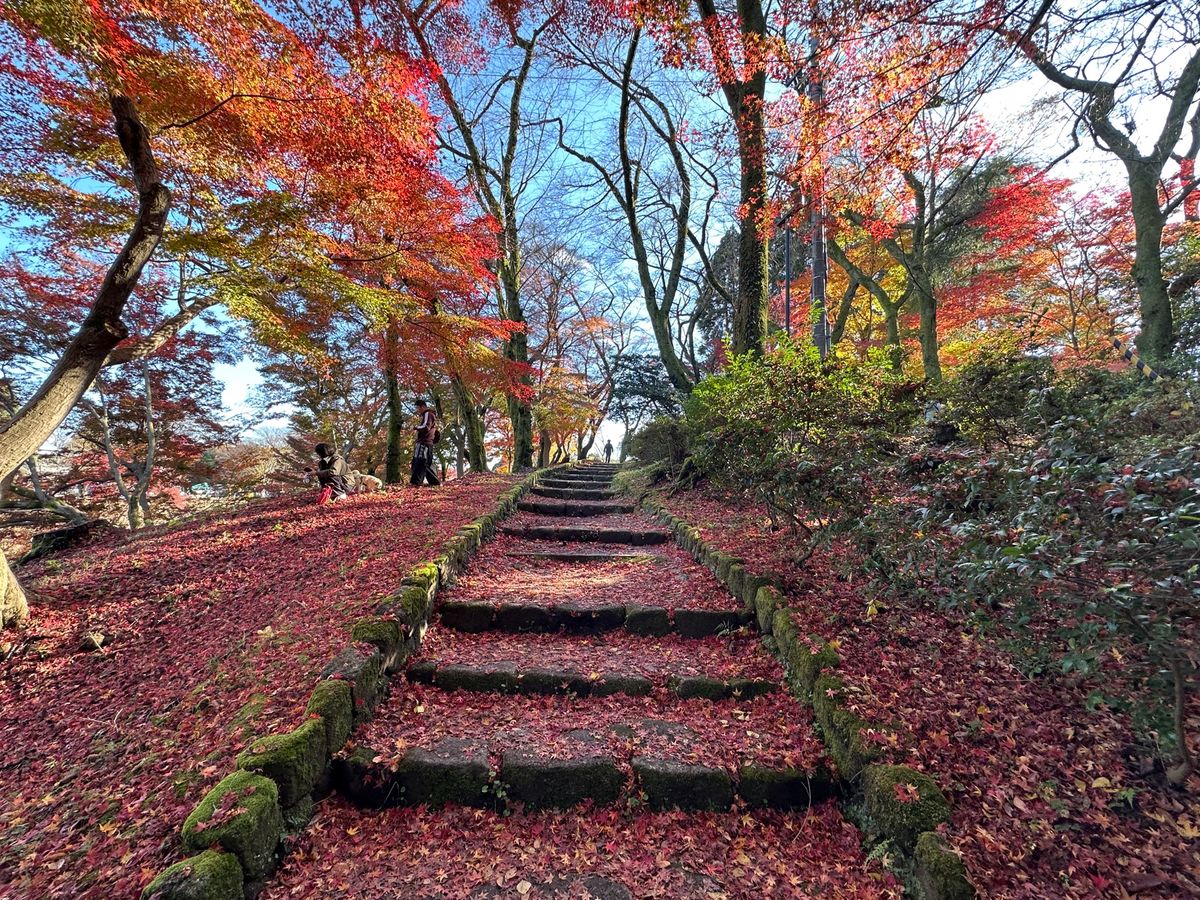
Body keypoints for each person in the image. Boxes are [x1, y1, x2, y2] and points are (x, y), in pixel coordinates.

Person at [410, 399, 441, 486]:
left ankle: (416, 482)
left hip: (424, 442)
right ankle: (434, 482)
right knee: (425, 463)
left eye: (417, 408)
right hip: (428, 442)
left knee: (419, 461)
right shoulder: (430, 415)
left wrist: (416, 427)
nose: (417, 410)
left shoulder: (428, 414)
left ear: (422, 406)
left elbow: (426, 426)